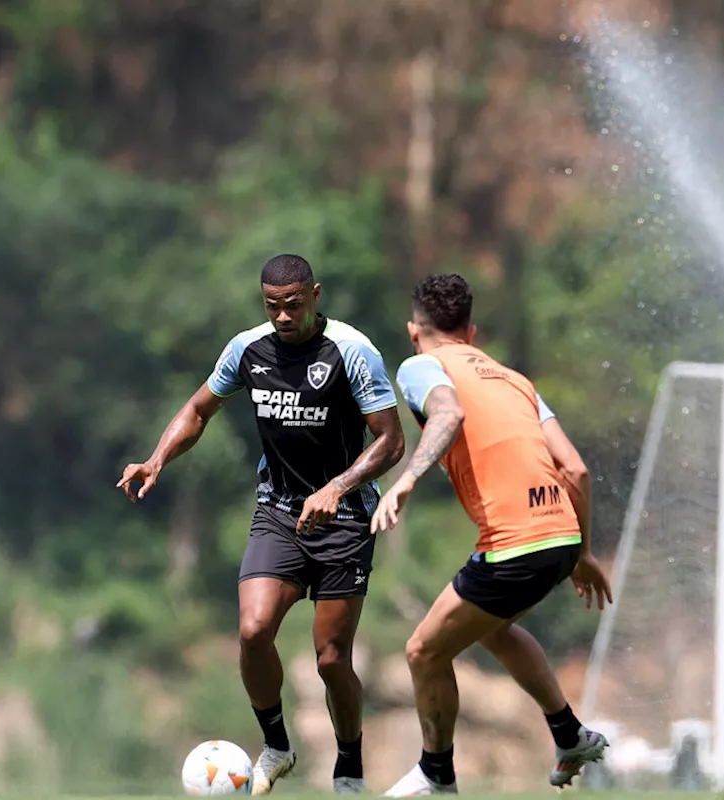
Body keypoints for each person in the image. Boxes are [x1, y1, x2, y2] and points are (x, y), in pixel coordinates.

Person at [116, 254, 405, 796]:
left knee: (331, 659)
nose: (282, 317)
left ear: (315, 295)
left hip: (344, 519)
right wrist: (157, 458)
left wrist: (337, 487)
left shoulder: (351, 350)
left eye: (292, 305)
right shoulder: (247, 349)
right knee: (252, 631)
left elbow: (391, 441)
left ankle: (349, 767)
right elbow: (199, 410)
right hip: (278, 512)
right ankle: (276, 745)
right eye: (272, 306)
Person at [370, 273, 614, 797]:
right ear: (472, 332)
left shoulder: (420, 365)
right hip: (562, 536)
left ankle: (437, 775)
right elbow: (575, 470)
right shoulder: (515, 380)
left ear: (415, 331)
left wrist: (407, 480)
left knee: (423, 653)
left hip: (515, 544)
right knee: (491, 628)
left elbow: (448, 412)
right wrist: (584, 553)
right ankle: (568, 734)